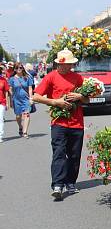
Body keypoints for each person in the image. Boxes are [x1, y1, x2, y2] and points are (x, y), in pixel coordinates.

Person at [32, 49, 88, 200]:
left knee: (74, 155)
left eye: (69, 64)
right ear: (58, 63)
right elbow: (36, 96)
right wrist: (55, 102)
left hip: (77, 123)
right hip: (59, 122)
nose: (66, 67)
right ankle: (57, 185)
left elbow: (87, 99)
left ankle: (70, 182)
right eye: (64, 64)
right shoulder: (51, 76)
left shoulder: (77, 77)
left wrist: (80, 96)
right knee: (59, 153)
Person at [9, 63, 35, 138]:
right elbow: (10, 89)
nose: (19, 69)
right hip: (16, 99)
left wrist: (30, 98)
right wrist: (11, 100)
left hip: (25, 99)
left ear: (23, 68)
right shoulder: (12, 79)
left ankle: (25, 132)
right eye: (17, 68)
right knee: (18, 116)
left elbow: (30, 89)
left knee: (27, 114)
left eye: (20, 68)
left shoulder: (27, 78)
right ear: (14, 69)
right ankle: (20, 126)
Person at [0, 68, 8, 142]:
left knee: (1, 119)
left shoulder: (3, 80)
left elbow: (6, 92)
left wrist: (7, 103)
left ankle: (0, 135)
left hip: (1, 102)